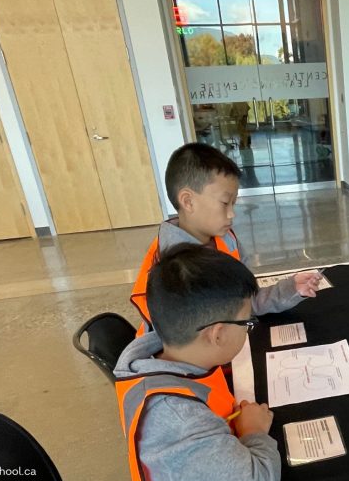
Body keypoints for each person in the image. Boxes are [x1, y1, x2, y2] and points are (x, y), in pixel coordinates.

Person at [114, 243, 279, 481]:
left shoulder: (164, 358)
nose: (248, 328)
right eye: (246, 323)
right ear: (217, 334)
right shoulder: (177, 419)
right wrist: (254, 434)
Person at [130, 143, 322, 336]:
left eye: (234, 203)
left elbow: (245, 302)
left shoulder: (226, 241)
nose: (232, 214)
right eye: (224, 203)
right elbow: (182, 342)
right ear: (188, 201)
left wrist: (290, 289)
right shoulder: (170, 265)